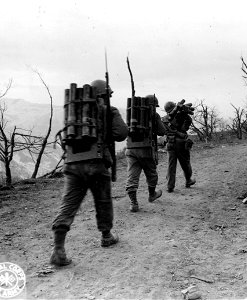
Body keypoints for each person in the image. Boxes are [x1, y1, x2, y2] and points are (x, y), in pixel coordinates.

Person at [50, 79, 128, 266]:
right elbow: (122, 133)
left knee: (68, 204)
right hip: (96, 163)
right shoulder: (109, 110)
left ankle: (58, 249)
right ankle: (106, 235)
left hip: (72, 163)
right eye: (109, 95)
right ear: (104, 94)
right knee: (103, 201)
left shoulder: (76, 109)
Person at [126, 95, 167, 212]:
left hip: (131, 148)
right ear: (153, 105)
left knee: (132, 176)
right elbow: (162, 131)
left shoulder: (132, 112)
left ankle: (133, 203)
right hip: (146, 149)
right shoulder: (154, 115)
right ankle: (152, 194)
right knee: (152, 174)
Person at [162, 101, 196, 192]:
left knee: (171, 165)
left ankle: (170, 186)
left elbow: (163, 131)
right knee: (185, 163)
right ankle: (188, 180)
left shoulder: (164, 119)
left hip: (170, 143)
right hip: (181, 143)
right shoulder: (182, 117)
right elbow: (186, 126)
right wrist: (184, 114)